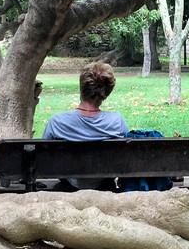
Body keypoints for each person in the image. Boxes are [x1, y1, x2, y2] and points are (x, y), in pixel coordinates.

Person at [42, 62, 128, 190]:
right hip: (104, 185)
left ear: (82, 88)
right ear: (106, 92)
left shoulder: (57, 122)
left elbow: (43, 156)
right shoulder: (117, 121)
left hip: (68, 186)